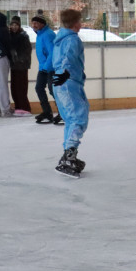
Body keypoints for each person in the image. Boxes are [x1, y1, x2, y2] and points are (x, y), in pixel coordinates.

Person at [52, 9, 89, 178]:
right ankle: (69, 156)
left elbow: (57, 60)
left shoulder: (59, 39)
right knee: (78, 117)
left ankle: (68, 153)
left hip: (61, 81)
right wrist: (66, 72)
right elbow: (68, 57)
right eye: (79, 21)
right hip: (68, 81)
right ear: (75, 23)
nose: (80, 24)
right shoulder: (72, 39)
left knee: (70, 118)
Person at [30, 12, 61, 125]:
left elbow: (52, 52)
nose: (34, 25)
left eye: (36, 23)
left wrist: (47, 66)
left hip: (52, 67)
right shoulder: (39, 35)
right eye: (33, 23)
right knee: (39, 88)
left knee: (53, 90)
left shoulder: (48, 34)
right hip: (44, 67)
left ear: (42, 24)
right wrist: (43, 67)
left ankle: (63, 112)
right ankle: (47, 112)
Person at [8, 15, 33, 116]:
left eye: (16, 25)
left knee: (21, 87)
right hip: (14, 65)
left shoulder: (23, 36)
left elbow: (27, 51)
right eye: (12, 25)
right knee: (14, 87)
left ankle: (25, 107)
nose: (14, 27)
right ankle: (18, 106)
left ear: (19, 26)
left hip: (21, 66)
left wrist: (21, 60)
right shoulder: (10, 36)